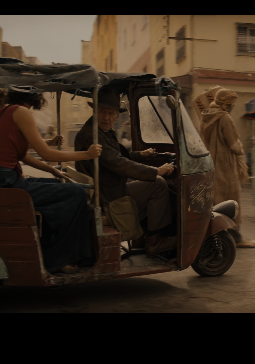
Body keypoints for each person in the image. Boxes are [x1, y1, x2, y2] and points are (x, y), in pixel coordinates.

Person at [0, 90, 102, 275]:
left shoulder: (1, 114)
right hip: (4, 181)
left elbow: (22, 154)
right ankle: (60, 259)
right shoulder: (20, 112)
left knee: (59, 187)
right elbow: (46, 154)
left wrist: (52, 170)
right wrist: (87, 154)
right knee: (75, 193)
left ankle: (51, 249)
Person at [73, 87, 177, 258]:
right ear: (95, 111)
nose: (106, 117)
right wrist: (156, 171)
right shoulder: (93, 136)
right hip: (107, 196)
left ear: (116, 115)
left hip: (107, 187)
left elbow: (115, 155)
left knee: (147, 183)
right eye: (102, 112)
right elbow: (117, 163)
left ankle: (141, 238)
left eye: (110, 113)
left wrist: (140, 155)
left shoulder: (99, 131)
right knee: (158, 184)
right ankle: (154, 241)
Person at [199, 88, 255, 248]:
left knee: (216, 199)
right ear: (227, 103)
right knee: (232, 199)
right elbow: (234, 144)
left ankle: (217, 234)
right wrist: (241, 148)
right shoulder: (224, 118)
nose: (233, 106)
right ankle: (236, 236)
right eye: (232, 103)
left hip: (210, 163)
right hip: (225, 164)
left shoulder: (205, 116)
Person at [0, 88, 63, 181]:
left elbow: (13, 144)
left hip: (4, 175)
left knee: (54, 182)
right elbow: (11, 152)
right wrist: (51, 169)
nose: (3, 107)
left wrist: (48, 143)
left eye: (4, 103)